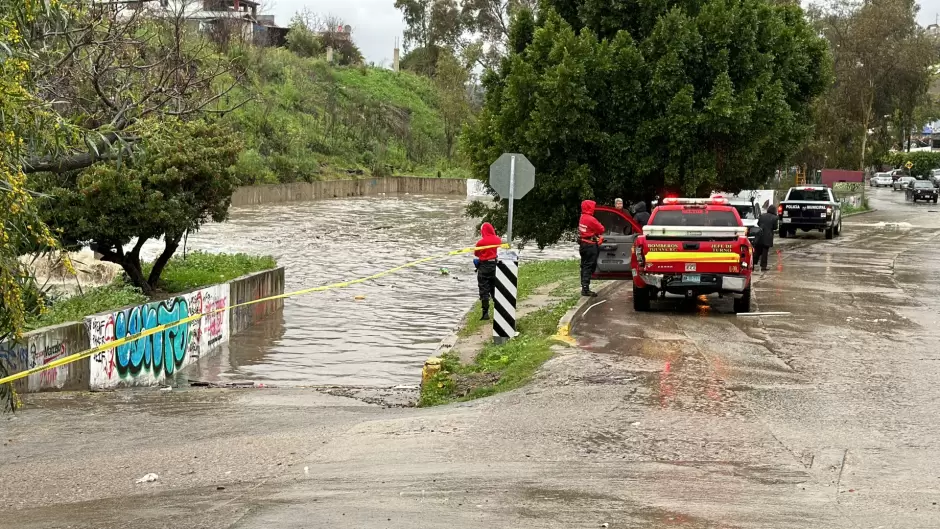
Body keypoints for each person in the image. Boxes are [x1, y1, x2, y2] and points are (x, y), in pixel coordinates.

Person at [474, 222, 502, 320]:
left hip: (484, 267)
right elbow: (501, 252)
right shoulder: (498, 240)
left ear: (483, 231)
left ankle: (485, 314)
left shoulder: (481, 242)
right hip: (495, 266)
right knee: (495, 288)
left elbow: (476, 253)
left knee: (483, 289)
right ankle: (499, 312)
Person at [578, 200, 605, 297]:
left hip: (583, 244)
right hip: (590, 245)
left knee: (584, 265)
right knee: (589, 266)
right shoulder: (591, 219)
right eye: (593, 207)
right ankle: (586, 289)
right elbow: (601, 229)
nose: (594, 208)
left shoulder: (582, 217)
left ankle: (584, 286)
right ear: (590, 207)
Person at [755, 204, 779, 272]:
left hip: (760, 235)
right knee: (765, 252)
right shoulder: (775, 218)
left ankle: (753, 263)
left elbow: (758, 223)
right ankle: (763, 266)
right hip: (768, 236)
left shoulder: (762, 215)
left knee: (757, 251)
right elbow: (775, 227)